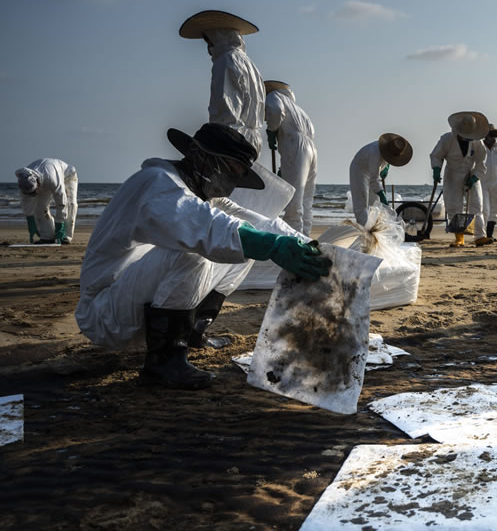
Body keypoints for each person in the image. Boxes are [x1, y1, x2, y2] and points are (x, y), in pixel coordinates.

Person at [75, 123, 331, 391]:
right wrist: (271, 246)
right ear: (198, 155)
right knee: (199, 250)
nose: (229, 185)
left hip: (138, 303)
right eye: (228, 171)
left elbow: (259, 224)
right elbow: (205, 227)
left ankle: (192, 331)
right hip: (105, 313)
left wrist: (312, 246)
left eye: (237, 178)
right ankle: (164, 361)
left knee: (243, 246)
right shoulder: (157, 184)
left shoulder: (201, 194)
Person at [179, 10, 266, 154]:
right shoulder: (250, 64)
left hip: (232, 140)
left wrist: (215, 141)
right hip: (252, 142)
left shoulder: (225, 60)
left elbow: (225, 109)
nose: (208, 46)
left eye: (208, 40)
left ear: (217, 36)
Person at [265, 80, 319, 235]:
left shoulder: (273, 96)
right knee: (306, 198)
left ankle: (293, 238)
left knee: (294, 200)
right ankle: (305, 236)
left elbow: (275, 111)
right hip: (311, 148)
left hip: (296, 144)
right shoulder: (299, 110)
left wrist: (271, 129)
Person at [430, 111, 490, 248]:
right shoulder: (446, 139)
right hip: (452, 174)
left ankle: (480, 236)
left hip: (470, 173)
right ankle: (459, 238)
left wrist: (474, 177)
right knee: (454, 206)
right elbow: (436, 155)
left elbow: (481, 163)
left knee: (477, 204)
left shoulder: (477, 142)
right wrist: (436, 169)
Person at [349, 134, 413, 226]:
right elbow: (374, 180)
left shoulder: (390, 150)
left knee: (375, 206)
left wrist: (386, 168)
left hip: (372, 171)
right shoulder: (375, 153)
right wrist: (382, 195)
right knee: (362, 206)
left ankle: (375, 231)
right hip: (359, 170)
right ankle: (365, 232)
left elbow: (388, 160)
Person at [15, 158, 79, 244]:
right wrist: (30, 220)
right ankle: (47, 236)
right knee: (40, 207)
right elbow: (25, 202)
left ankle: (65, 236)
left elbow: (61, 202)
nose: (33, 195)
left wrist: (60, 224)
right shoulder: (24, 181)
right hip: (44, 177)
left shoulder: (52, 179)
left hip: (67, 175)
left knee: (70, 204)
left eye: (34, 192)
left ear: (37, 184)